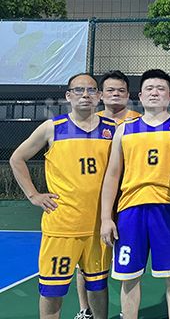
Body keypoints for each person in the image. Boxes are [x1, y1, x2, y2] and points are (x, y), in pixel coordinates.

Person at [10, 73, 113, 319]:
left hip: (98, 226)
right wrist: (33, 195)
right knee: (52, 290)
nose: (85, 95)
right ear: (68, 96)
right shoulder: (52, 127)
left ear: (99, 96)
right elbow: (17, 158)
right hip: (62, 225)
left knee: (98, 285)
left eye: (91, 90)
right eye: (79, 90)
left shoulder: (113, 130)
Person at [100, 69, 170, 319]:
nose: (155, 93)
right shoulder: (125, 129)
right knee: (129, 276)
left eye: (161, 88)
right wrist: (106, 218)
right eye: (149, 89)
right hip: (131, 210)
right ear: (140, 96)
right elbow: (112, 175)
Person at [75, 70, 141, 319]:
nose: (116, 94)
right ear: (101, 95)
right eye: (110, 90)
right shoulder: (90, 122)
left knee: (127, 260)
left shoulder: (138, 122)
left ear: (128, 95)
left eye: (121, 90)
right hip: (95, 202)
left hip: (127, 199)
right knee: (87, 261)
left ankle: (127, 312)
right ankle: (85, 310)